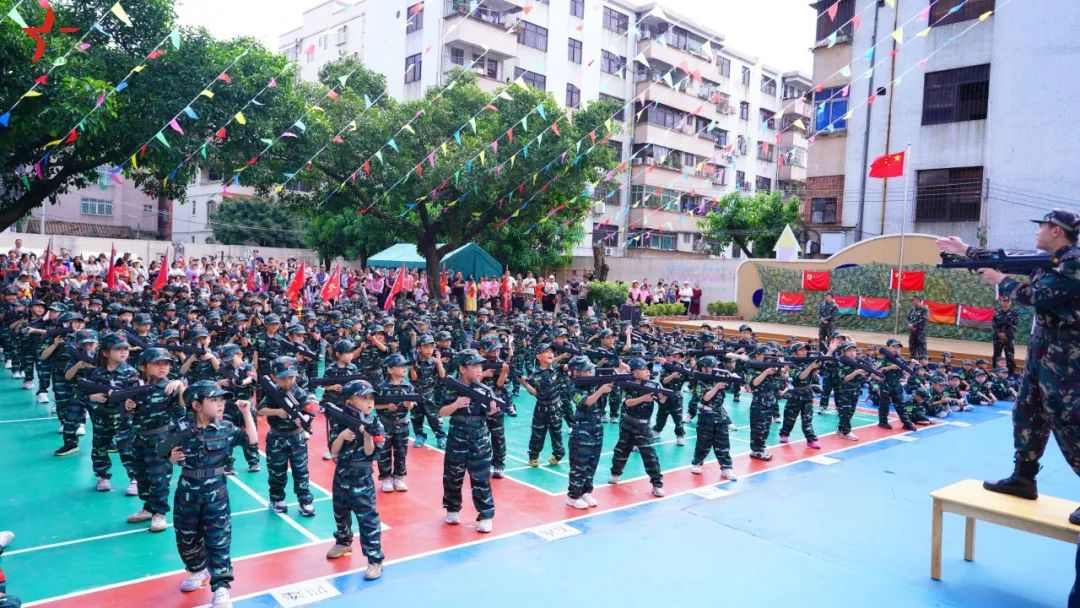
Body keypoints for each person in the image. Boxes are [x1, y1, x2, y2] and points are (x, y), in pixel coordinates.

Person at [939, 209, 1080, 606]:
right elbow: (1012, 258)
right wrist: (966, 251)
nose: (1037, 232)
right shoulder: (1053, 258)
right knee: (1027, 414)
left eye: (1042, 226)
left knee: (1069, 423)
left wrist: (1000, 281)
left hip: (1068, 359)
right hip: (1043, 352)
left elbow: (1037, 295)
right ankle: (1023, 478)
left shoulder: (1073, 264)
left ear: (1057, 231)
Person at [169, 380, 258, 608]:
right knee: (186, 536)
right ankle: (197, 569)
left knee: (218, 539)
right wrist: (170, 457)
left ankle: (221, 587)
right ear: (197, 405)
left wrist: (246, 413)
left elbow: (252, 439)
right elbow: (163, 449)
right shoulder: (181, 427)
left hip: (216, 492)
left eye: (222, 400)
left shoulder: (226, 427)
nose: (220, 404)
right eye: (214, 400)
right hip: (187, 491)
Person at [324, 380, 385, 581]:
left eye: (371, 398)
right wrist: (342, 436)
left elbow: (370, 453)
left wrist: (367, 436)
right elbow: (333, 451)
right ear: (349, 401)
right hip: (341, 474)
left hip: (362, 478)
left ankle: (374, 559)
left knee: (367, 520)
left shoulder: (375, 425)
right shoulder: (341, 421)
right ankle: (343, 542)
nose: (370, 402)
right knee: (340, 512)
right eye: (364, 398)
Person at [440, 349, 499, 533]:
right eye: (474, 366)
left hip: (479, 439)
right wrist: (456, 404)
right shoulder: (452, 387)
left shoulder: (486, 390)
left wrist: (492, 410)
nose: (479, 369)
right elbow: (440, 412)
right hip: (457, 437)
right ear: (462, 369)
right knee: (452, 476)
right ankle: (452, 509)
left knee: (481, 477)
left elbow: (491, 414)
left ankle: (486, 515)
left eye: (480, 366)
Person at [992, 295, 1018, 375]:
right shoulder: (996, 312)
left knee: (1009, 356)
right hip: (997, 337)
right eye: (1004, 301)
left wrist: (1005, 333)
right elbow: (994, 325)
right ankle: (995, 373)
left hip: (1008, 338)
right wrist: (999, 333)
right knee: (996, 355)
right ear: (1001, 302)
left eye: (1007, 301)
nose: (1005, 303)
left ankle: (1010, 374)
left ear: (1010, 302)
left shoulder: (1014, 313)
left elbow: (1014, 326)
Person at [906, 293, 929, 359]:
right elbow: (908, 319)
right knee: (912, 348)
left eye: (913, 300)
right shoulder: (912, 309)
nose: (912, 301)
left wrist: (913, 325)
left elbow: (923, 319)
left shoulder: (924, 309)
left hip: (920, 333)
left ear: (918, 300)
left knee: (921, 349)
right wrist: (909, 325)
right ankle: (913, 362)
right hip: (912, 333)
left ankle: (922, 363)